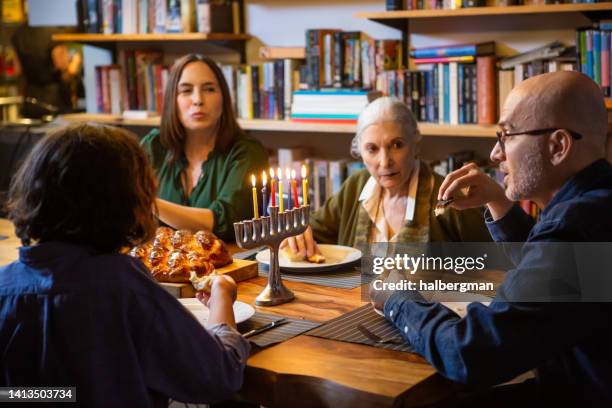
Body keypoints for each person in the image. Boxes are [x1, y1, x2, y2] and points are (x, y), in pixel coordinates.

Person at [371, 71, 612, 405]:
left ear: (558, 145)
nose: (496, 153)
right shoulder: (596, 206)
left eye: (507, 135)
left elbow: (470, 354)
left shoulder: (577, 228)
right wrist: (499, 201)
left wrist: (399, 298)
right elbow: (555, 277)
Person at [0, 123, 250, 407]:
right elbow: (217, 375)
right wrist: (222, 297)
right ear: (129, 200)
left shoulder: (3, 288)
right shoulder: (123, 287)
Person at [282, 97, 491, 258]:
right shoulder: (356, 185)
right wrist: (298, 233)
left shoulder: (449, 197)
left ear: (416, 143)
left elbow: (497, 263)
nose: (384, 161)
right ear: (360, 151)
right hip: (355, 310)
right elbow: (313, 229)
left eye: (397, 145)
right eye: (372, 149)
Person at [141, 54, 268, 241]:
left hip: (228, 265)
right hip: (158, 265)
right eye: (186, 90)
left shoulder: (247, 152)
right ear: (171, 101)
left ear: (224, 98)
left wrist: (147, 202)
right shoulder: (153, 146)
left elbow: (224, 223)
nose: (198, 100)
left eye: (209, 89)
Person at [11, 24, 82, 118]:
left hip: (30, 100)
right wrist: (75, 63)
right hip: (55, 101)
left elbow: (17, 71)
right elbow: (65, 72)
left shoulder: (18, 33)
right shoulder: (55, 33)